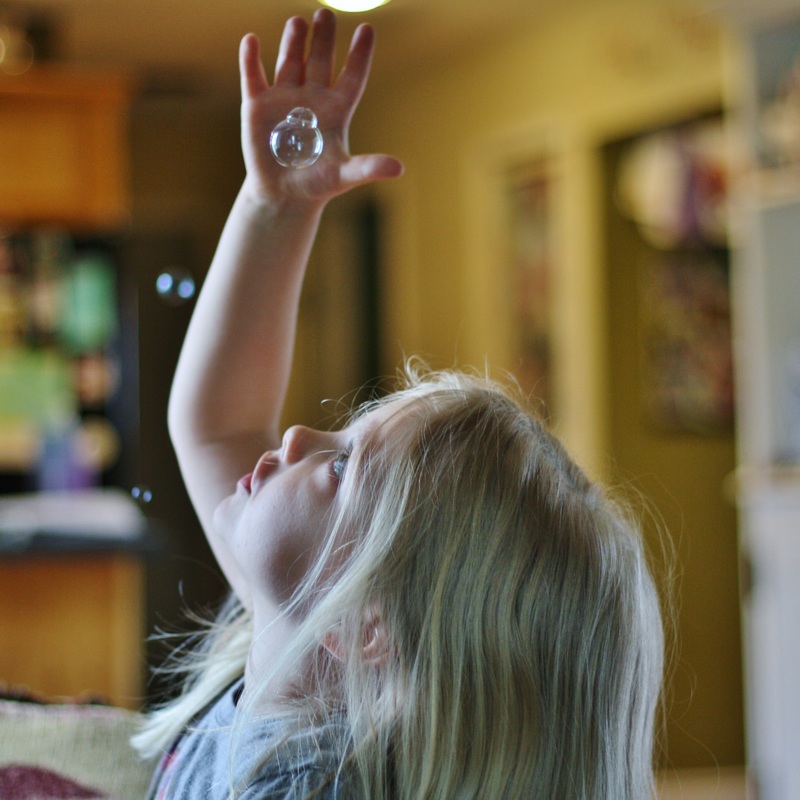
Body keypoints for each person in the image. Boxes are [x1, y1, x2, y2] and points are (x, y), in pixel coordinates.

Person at [133, 8, 665, 799]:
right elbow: (218, 424)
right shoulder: (307, 648)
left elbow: (220, 428)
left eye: (344, 467)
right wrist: (274, 209)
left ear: (367, 623)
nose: (300, 432)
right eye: (342, 437)